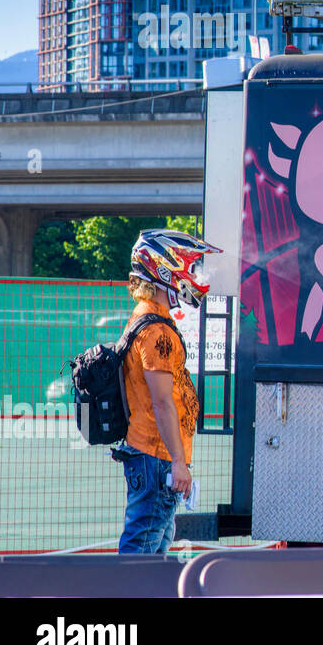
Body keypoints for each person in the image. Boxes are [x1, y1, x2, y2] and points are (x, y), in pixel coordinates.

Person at [115, 229, 222, 554]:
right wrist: (178, 463)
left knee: (154, 549)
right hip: (156, 456)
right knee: (143, 550)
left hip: (153, 455)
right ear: (164, 270)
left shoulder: (152, 321)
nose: (193, 275)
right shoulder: (157, 332)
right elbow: (162, 403)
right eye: (188, 267)